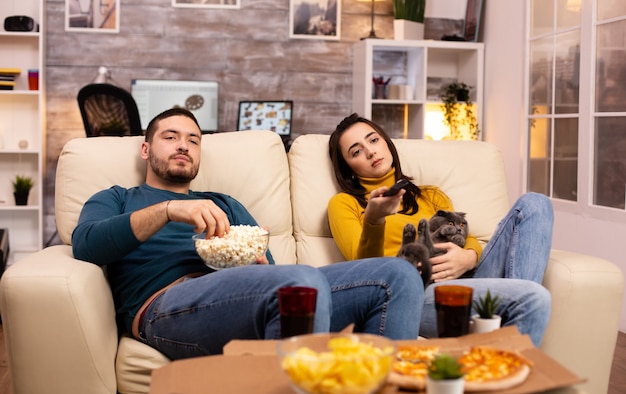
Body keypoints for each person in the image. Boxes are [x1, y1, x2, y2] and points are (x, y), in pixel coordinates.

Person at [71, 108, 424, 360]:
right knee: (299, 285)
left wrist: (249, 256)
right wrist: (168, 211)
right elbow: (86, 245)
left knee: (399, 275)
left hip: (244, 298)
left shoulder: (224, 203)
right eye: (171, 137)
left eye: (193, 140)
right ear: (146, 149)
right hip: (164, 308)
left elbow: (268, 270)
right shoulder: (118, 198)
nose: (183, 145)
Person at [327, 113, 554, 346]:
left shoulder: (430, 194)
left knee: (535, 203)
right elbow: (365, 269)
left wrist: (468, 257)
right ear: (349, 170)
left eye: (373, 140)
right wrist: (375, 219)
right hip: (418, 292)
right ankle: (515, 311)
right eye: (356, 151)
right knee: (533, 297)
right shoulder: (345, 204)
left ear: (386, 142)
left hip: (469, 276)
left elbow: (467, 236)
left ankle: (513, 304)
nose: (371, 151)